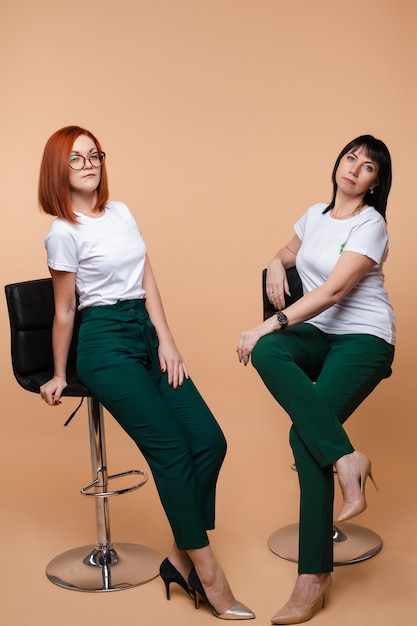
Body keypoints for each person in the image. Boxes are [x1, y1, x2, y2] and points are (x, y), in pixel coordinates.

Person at [39, 125, 255, 621]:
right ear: (58, 169)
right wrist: (56, 372)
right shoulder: (63, 232)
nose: (90, 163)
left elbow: (147, 277)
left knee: (209, 441)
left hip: (143, 331)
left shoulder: (121, 212)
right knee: (173, 451)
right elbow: (66, 309)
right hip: (104, 343)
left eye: (95, 154)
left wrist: (168, 340)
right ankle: (209, 575)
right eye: (76, 158)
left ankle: (178, 559)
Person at [237, 135, 395, 624]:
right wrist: (272, 263)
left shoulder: (372, 224)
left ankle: (313, 576)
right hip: (318, 337)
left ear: (374, 183)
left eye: (367, 167)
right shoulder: (313, 215)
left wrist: (268, 321)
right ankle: (348, 458)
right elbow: (288, 252)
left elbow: (333, 290)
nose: (354, 169)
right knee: (267, 353)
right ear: (338, 163)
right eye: (350, 158)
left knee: (302, 437)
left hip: (363, 340)